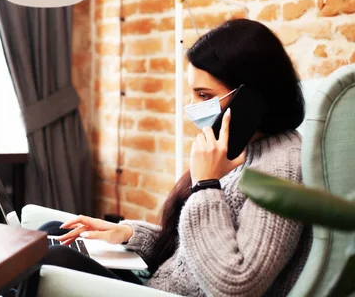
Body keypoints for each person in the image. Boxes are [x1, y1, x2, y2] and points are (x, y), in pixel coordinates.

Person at [18, 19, 312, 297]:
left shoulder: (281, 169)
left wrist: (206, 185)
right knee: (52, 233)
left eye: (204, 95)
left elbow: (237, 285)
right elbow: (198, 246)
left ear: (251, 99)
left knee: (50, 254)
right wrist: (130, 233)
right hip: (160, 282)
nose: (191, 107)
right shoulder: (241, 150)